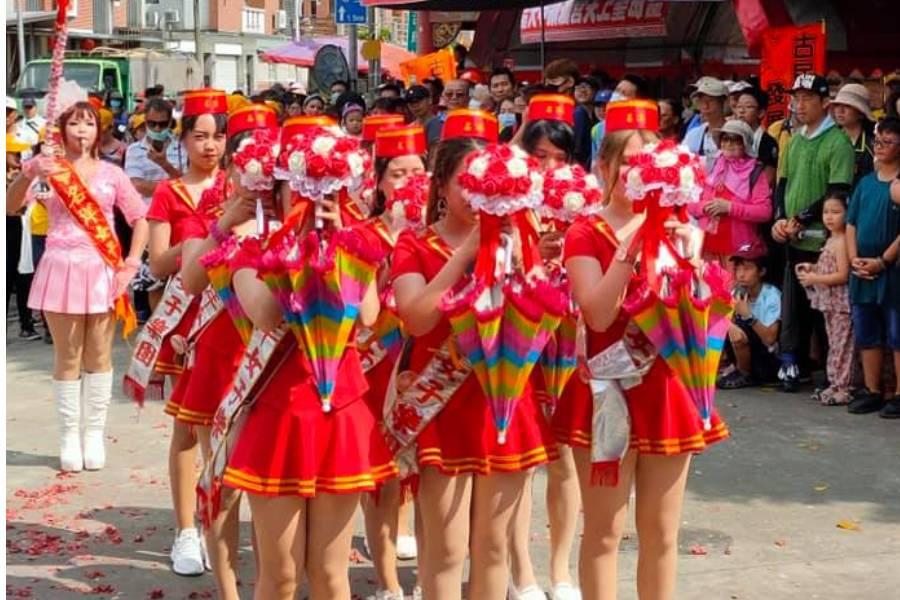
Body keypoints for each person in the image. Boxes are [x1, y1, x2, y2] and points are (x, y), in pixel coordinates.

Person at [556, 99, 728, 600]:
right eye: (628, 163)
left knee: (661, 533)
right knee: (605, 533)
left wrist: (693, 263)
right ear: (604, 168)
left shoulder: (684, 232)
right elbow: (599, 314)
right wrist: (632, 250)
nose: (638, 173)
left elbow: (702, 319)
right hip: (608, 392)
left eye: (648, 163)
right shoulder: (585, 232)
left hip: (667, 390)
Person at [222, 130, 397, 600]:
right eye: (299, 189)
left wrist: (338, 242)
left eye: (321, 190)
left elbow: (369, 316)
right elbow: (264, 313)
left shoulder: (354, 244)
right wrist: (298, 246)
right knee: (280, 576)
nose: (309, 200)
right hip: (276, 415)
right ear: (276, 193)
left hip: (339, 411)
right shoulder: (250, 251)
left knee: (329, 572)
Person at [392, 134, 558, 600]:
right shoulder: (415, 245)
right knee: (445, 551)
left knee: (493, 550)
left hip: (503, 403)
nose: (476, 193)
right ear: (441, 185)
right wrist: (467, 254)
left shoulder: (520, 246)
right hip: (442, 405)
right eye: (466, 181)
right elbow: (415, 317)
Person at [6, 98, 149, 474]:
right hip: (60, 265)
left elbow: (140, 219)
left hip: (102, 268)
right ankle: (69, 435)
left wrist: (132, 263)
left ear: (98, 131)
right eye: (75, 123)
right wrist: (28, 172)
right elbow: (9, 208)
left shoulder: (112, 174)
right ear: (62, 129)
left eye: (89, 124)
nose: (82, 131)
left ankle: (94, 434)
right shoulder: (50, 169)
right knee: (67, 356)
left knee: (99, 356)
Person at [178, 103, 278, 600]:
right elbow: (191, 280)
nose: (256, 172)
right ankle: (229, 590)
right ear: (235, 168)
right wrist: (226, 224)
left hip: (276, 370)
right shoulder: (212, 215)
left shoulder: (296, 218)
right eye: (247, 161)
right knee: (223, 488)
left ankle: (270, 584)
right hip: (221, 364)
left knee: (267, 488)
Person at [139, 89, 229, 577]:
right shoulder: (169, 193)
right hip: (188, 319)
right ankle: (186, 531)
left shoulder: (242, 188)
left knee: (231, 427)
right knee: (188, 429)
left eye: (217, 136)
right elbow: (157, 262)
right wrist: (200, 241)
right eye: (200, 136)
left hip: (234, 314)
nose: (209, 146)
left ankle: (223, 524)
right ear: (184, 139)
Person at [509, 95, 582, 600]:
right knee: (520, 460)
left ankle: (560, 572)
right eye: (540, 157)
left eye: (560, 157)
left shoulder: (585, 203)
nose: (551, 168)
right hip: (514, 340)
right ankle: (521, 573)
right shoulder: (501, 204)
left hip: (568, 340)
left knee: (566, 457)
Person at [359, 124, 429, 600]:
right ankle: (386, 582)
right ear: (379, 181)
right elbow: (363, 316)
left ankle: (431, 576)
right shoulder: (363, 234)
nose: (407, 181)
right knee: (382, 478)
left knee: (432, 478)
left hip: (428, 366)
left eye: (417, 172)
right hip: (378, 365)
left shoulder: (441, 237)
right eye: (397, 173)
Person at [771, 73, 854, 392]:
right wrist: (780, 218)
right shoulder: (794, 139)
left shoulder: (838, 142)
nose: (799, 104)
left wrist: (802, 219)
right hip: (793, 235)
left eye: (807, 98)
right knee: (796, 305)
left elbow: (838, 190)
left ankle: (833, 374)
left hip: (824, 240)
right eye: (796, 97)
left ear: (825, 102)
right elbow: (782, 183)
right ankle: (796, 364)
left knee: (827, 310)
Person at [845, 117, 900, 417]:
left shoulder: (898, 185)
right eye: (877, 142)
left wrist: (883, 261)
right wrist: (854, 258)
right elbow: (850, 223)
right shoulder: (866, 182)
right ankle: (872, 389)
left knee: (896, 333)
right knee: (867, 331)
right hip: (861, 269)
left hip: (891, 269)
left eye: (887, 142)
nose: (879, 148)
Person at [795, 192, 852, 405]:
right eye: (826, 212)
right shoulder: (831, 239)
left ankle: (845, 386)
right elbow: (829, 267)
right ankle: (835, 383)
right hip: (829, 303)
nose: (829, 217)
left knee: (843, 345)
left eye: (836, 212)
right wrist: (813, 269)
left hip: (841, 303)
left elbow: (842, 274)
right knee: (833, 343)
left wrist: (814, 278)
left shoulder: (843, 240)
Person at [690, 119, 772, 263]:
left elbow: (764, 212)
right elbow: (690, 204)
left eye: (735, 140)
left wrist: (730, 208)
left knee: (735, 286)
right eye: (725, 139)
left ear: (745, 144)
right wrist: (705, 207)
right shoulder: (710, 165)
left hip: (739, 253)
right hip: (707, 248)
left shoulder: (755, 171)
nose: (728, 144)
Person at [718, 243, 782, 389]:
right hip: (748, 354)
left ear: (761, 271)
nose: (741, 274)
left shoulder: (772, 295)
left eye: (747, 268)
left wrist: (748, 315)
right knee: (724, 323)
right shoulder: (737, 292)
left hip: (769, 361)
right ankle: (735, 368)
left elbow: (770, 339)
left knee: (737, 330)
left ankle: (745, 375)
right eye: (738, 268)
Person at [124, 97, 185, 203]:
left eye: (162, 124)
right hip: (146, 215)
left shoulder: (182, 148)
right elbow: (137, 186)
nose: (157, 128)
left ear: (170, 123)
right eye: (152, 124)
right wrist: (173, 186)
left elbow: (187, 186)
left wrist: (165, 165)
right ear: (146, 121)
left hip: (175, 215)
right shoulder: (134, 150)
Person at [830, 83, 876, 186]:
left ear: (861, 113)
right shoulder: (828, 140)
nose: (840, 111)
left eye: (847, 106)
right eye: (837, 105)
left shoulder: (873, 146)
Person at [734, 87, 779, 186]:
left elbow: (768, 179)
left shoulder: (768, 143)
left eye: (748, 107)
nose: (741, 111)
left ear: (760, 113)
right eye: (739, 106)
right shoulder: (731, 137)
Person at [683, 77, 728, 173]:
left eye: (710, 101)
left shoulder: (736, 132)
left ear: (723, 103)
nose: (705, 107)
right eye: (701, 102)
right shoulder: (694, 134)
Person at [425, 79, 471, 149]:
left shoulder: (475, 122)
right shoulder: (433, 124)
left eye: (459, 94)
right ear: (443, 97)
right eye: (449, 94)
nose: (454, 97)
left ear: (468, 99)